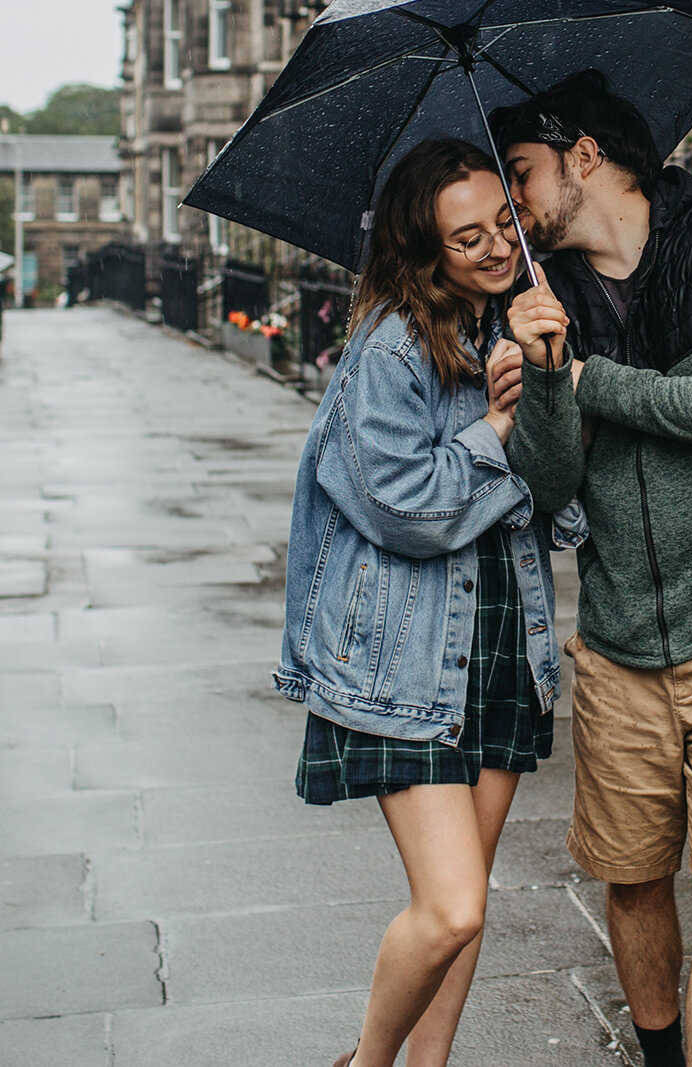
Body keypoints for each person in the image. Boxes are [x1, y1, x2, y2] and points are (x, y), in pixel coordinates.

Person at [496, 70, 692, 1067]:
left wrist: (596, 379)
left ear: (585, 153)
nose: (513, 208)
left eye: (522, 176)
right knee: (632, 881)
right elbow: (549, 488)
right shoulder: (543, 301)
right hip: (624, 642)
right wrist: (547, 381)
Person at [273, 137, 558, 1067]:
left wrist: (550, 380)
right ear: (426, 250)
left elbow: (564, 495)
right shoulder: (392, 341)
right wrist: (496, 430)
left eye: (501, 225)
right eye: (464, 236)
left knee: (466, 904)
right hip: (408, 656)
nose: (492, 248)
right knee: (453, 905)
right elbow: (401, 505)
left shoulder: (513, 326)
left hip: (504, 644)